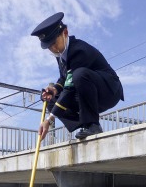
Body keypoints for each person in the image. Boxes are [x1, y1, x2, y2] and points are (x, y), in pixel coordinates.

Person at [31, 12, 124, 141]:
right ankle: (85, 125)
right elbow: (65, 78)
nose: (53, 48)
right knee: (51, 100)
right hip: (87, 93)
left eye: (54, 43)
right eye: (49, 46)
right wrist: (55, 89)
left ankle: (93, 125)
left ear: (65, 32)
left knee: (79, 75)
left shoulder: (78, 50)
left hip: (108, 91)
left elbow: (70, 87)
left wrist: (49, 119)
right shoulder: (61, 53)